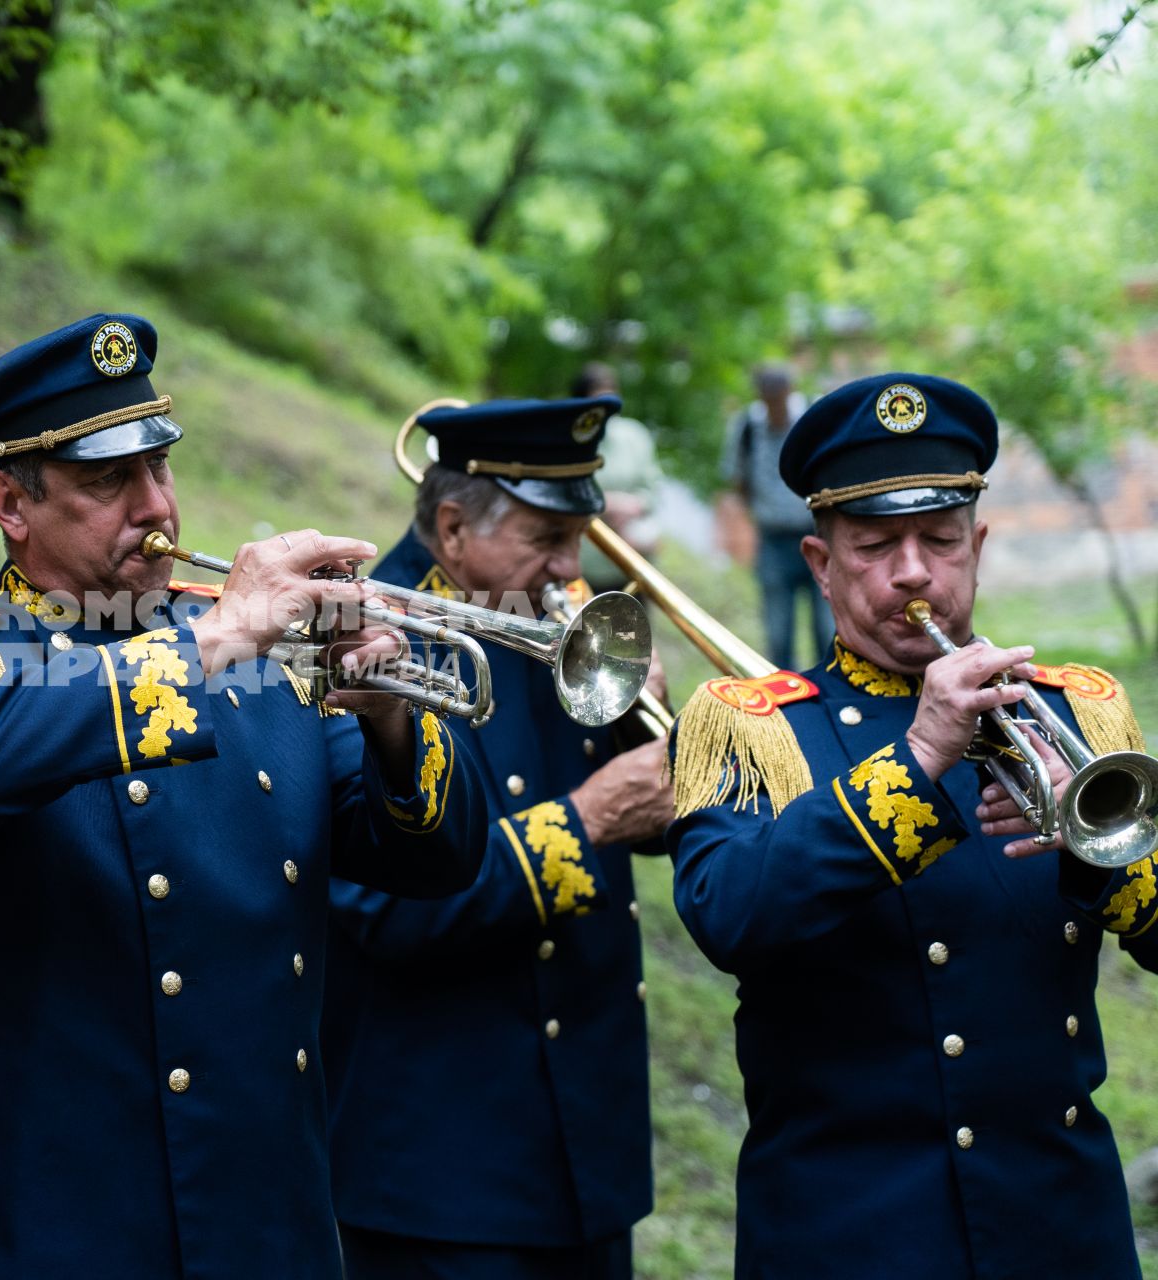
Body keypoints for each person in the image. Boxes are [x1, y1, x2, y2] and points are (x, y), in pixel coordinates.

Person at [0, 312, 488, 1278]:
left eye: (160, 469)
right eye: (109, 482)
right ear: (12, 503)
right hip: (62, 1217)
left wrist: (391, 713)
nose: (156, 510)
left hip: (272, 1213)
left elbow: (437, 862)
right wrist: (215, 642)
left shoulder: (260, 658)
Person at [667, 372, 1153, 1278]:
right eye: (875, 545)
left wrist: (1093, 857)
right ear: (818, 562)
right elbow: (731, 915)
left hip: (1059, 1223)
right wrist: (923, 752)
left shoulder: (1081, 710)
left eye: (940, 538)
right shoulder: (751, 724)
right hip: (850, 1230)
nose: (914, 572)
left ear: (979, 545)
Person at [322, 396, 674, 1280]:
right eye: (545, 541)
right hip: (442, 1170)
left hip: (585, 1145)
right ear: (451, 526)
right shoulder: (366, 647)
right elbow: (390, 911)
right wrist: (589, 822)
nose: (572, 571)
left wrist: (649, 731)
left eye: (578, 538)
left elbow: (664, 821)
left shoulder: (554, 619)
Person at [721, 361, 833, 668]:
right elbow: (738, 480)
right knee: (778, 631)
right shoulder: (746, 426)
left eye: (778, 398)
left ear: (788, 391)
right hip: (773, 540)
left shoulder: (812, 418)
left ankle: (829, 693)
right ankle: (788, 702)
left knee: (828, 629)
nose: (774, 406)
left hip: (818, 534)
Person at [571, 362, 663, 591]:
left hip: (632, 561)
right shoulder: (568, 442)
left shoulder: (636, 436)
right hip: (584, 565)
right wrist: (604, 504)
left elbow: (654, 490)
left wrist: (635, 505)